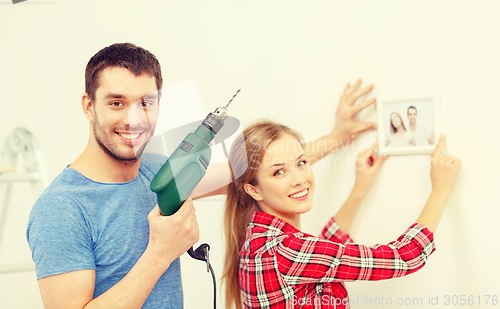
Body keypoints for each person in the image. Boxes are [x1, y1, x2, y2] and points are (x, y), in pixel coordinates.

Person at [26, 42, 377, 308]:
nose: (134, 119)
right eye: (117, 103)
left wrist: (337, 137)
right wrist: (161, 252)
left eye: (145, 102)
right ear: (89, 106)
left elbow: (253, 171)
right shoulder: (61, 208)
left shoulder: (155, 174)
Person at [222, 120, 460, 309]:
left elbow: (323, 255)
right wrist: (440, 190)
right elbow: (405, 257)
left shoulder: (260, 236)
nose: (299, 179)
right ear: (254, 189)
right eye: (279, 172)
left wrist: (359, 189)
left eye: (302, 162)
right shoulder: (285, 249)